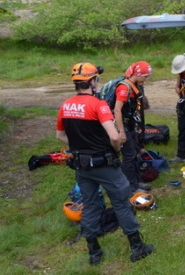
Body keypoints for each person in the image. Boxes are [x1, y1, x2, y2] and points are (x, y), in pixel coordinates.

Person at [56, 63, 153, 265]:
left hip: (81, 166)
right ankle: (137, 248)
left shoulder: (65, 105)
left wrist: (78, 148)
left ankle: (94, 252)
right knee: (121, 203)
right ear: (93, 81)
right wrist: (115, 150)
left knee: (90, 206)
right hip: (104, 164)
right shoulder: (98, 105)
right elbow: (115, 137)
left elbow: (60, 135)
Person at [114, 61, 152, 194]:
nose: (146, 79)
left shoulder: (134, 85)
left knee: (134, 152)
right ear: (137, 74)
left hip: (129, 123)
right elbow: (117, 110)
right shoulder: (124, 88)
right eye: (145, 76)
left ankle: (135, 181)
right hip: (122, 124)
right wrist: (121, 132)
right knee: (128, 155)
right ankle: (130, 186)